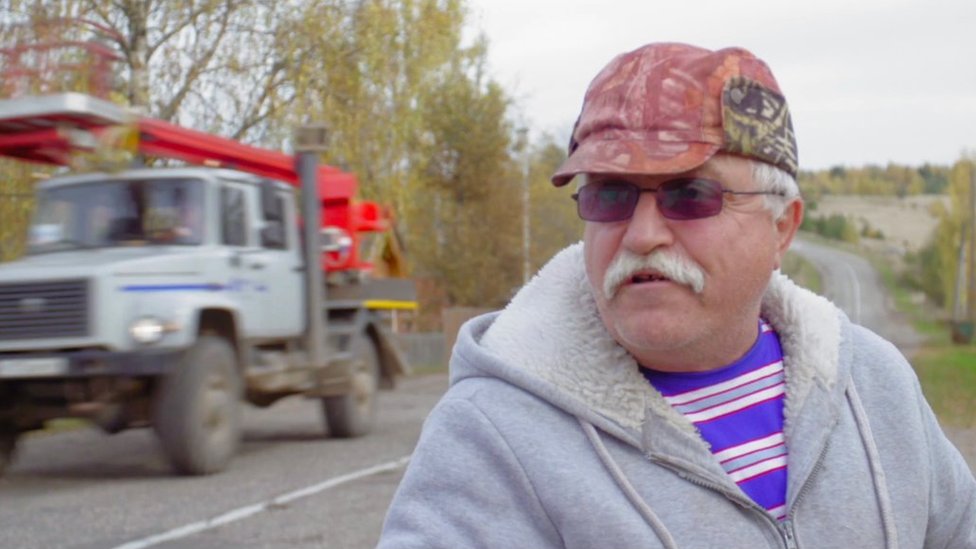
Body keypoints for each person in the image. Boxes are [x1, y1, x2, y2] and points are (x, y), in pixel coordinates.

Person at [377, 43, 976, 548]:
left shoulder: (874, 385)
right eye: (610, 196)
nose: (641, 234)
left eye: (690, 195)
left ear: (782, 228)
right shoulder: (492, 432)